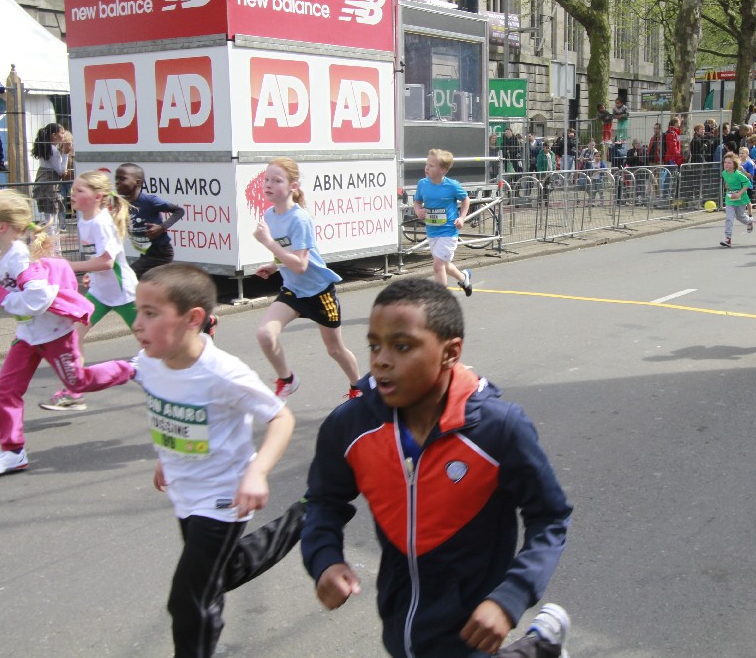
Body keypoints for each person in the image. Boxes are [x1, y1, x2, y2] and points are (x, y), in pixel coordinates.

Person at [301, 277, 573, 658]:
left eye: (402, 346)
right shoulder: (350, 426)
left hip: (472, 629)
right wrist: (325, 559)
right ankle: (543, 644)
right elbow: (323, 502)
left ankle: (540, 644)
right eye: (374, 345)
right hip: (400, 625)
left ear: (450, 352)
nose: (381, 360)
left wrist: (511, 596)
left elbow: (550, 517)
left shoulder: (498, 430)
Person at [128, 263, 303, 658]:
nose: (137, 324)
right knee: (221, 571)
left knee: (189, 599)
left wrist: (257, 473)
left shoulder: (223, 373)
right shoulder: (150, 361)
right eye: (138, 311)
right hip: (185, 492)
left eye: (151, 313)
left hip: (225, 496)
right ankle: (306, 517)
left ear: (192, 319)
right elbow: (172, 412)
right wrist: (167, 454)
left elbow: (281, 418)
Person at [0, 189, 135, 476]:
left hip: (55, 335)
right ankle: (13, 452)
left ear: (2, 226)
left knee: (78, 382)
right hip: (28, 336)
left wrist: (5, 298)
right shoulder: (5, 252)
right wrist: (6, 297)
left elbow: (39, 297)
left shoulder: (19, 258)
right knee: (7, 389)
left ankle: (132, 369)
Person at [251, 157, 361, 401]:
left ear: (293, 186)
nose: (268, 184)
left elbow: (300, 265)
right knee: (265, 334)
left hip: (319, 292)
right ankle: (287, 379)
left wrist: (268, 242)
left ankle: (358, 387)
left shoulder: (300, 219)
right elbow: (286, 254)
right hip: (293, 291)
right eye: (266, 179)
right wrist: (274, 266)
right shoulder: (269, 215)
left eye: (276, 180)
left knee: (335, 349)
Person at [41, 170, 139, 412]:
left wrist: (70, 267)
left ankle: (195, 363)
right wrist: (89, 273)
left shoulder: (101, 222)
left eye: (79, 191)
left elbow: (107, 262)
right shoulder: (84, 220)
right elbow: (98, 259)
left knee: (155, 343)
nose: (72, 194)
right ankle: (74, 392)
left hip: (124, 293)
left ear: (97, 197)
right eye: (73, 190)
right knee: (73, 336)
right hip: (100, 293)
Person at [414, 148, 473, 296]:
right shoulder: (422, 184)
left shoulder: (452, 185)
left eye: (431, 165)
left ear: (443, 170)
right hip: (432, 231)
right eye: (427, 164)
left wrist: (462, 218)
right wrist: (418, 210)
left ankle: (442, 298)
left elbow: (466, 200)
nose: (427, 168)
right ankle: (463, 278)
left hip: (449, 231)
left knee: (438, 265)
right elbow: (417, 201)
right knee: (444, 265)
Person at [116, 164, 185, 278]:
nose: (117, 182)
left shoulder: (149, 201)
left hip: (160, 253)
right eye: (116, 179)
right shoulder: (122, 203)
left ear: (137, 182)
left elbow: (179, 211)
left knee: (130, 277)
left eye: (122, 179)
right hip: (147, 252)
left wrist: (161, 227)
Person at [31, 123, 71, 231]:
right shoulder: (53, 150)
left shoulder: (47, 148)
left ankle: (52, 236)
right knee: (52, 217)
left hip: (43, 182)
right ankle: (53, 238)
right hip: (50, 185)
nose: (63, 136)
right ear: (54, 135)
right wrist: (65, 153)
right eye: (62, 133)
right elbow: (60, 170)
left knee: (48, 216)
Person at [719, 153, 753, 247]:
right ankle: (728, 238)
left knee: (740, 217)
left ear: (734, 165)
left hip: (740, 198)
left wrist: (739, 193)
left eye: (729, 163)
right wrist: (727, 185)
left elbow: (747, 184)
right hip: (730, 198)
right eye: (725, 162)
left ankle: (749, 221)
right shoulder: (724, 173)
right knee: (729, 218)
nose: (726, 164)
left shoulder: (738, 174)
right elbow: (727, 181)